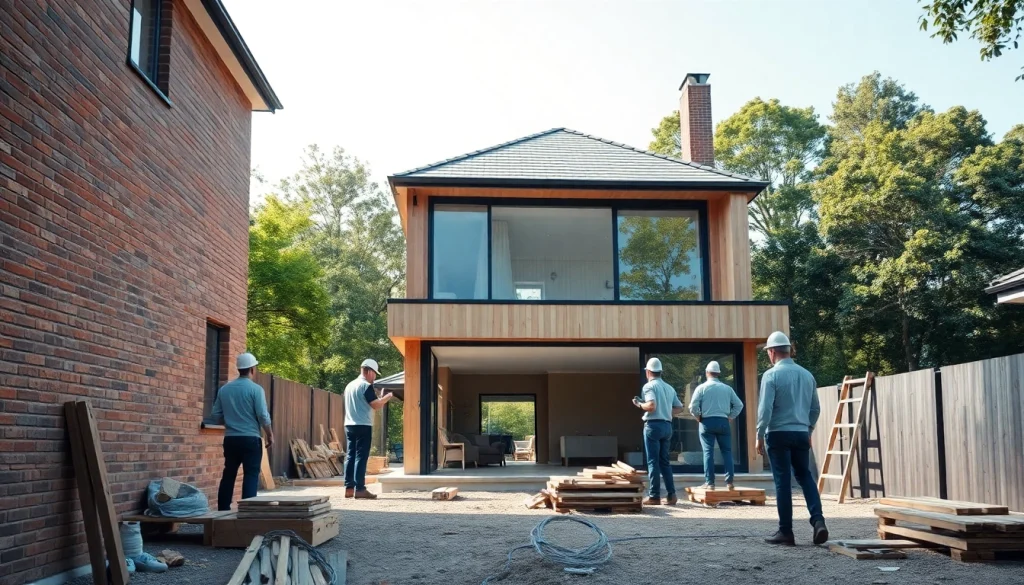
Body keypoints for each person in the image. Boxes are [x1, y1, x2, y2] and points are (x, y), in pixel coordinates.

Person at [756, 331, 829, 546]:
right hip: (800, 433)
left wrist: (759, 435)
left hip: (778, 433)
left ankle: (786, 532)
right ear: (789, 350)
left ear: (771, 352)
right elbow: (815, 408)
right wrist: (808, 430)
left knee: (782, 481)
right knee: (805, 476)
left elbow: (765, 410)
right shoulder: (807, 375)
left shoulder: (771, 376)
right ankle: (818, 521)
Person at [210, 352, 274, 511]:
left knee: (229, 474)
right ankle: (248, 512)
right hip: (251, 439)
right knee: (251, 475)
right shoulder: (256, 390)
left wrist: (231, 421)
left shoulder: (224, 389)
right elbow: (262, 415)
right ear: (252, 369)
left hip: (231, 439)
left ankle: (222, 511)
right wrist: (270, 434)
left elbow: (215, 416)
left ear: (239, 369)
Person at [632, 357, 685, 505]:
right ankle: (671, 495)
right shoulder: (669, 388)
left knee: (653, 462)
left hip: (653, 426)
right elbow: (680, 407)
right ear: (660, 371)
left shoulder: (649, 387)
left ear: (648, 372)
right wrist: (667, 411)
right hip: (667, 426)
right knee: (665, 462)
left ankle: (654, 496)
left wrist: (639, 404)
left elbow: (651, 406)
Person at [689, 360, 744, 491]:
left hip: (706, 421)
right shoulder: (727, 388)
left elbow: (692, 406)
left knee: (708, 452)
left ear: (707, 372)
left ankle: (710, 483)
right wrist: (731, 416)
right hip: (723, 421)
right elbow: (739, 405)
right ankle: (729, 482)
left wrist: (698, 417)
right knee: (727, 452)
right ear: (718, 373)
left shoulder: (701, 388)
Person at [343, 358, 394, 499]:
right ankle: (360, 489)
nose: (375, 377)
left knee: (350, 455)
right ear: (369, 371)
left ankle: (349, 488)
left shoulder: (349, 385)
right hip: (363, 425)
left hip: (349, 424)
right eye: (375, 373)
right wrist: (386, 397)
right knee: (361, 456)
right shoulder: (365, 386)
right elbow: (376, 405)